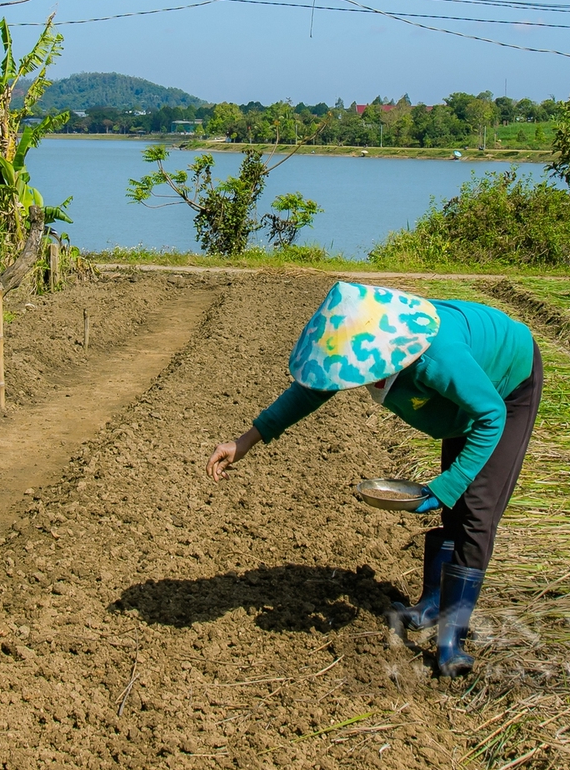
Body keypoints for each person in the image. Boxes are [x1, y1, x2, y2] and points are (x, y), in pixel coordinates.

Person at [206, 281, 542, 677]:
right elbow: (311, 391)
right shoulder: (374, 349)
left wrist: (446, 486)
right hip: (466, 397)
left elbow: (489, 416)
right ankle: (431, 604)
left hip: (505, 391)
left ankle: (453, 639)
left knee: (475, 510)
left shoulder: (436, 359)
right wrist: (244, 442)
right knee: (456, 506)